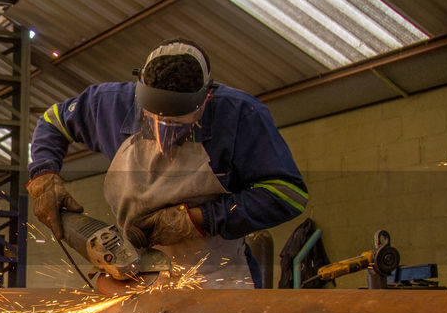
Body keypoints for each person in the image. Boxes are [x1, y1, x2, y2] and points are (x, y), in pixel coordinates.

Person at [27, 39, 307, 288]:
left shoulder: (240, 115)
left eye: (177, 123)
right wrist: (44, 176)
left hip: (216, 277)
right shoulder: (110, 103)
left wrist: (199, 218)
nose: (164, 134)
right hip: (135, 272)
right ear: (141, 90)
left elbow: (287, 195)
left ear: (206, 97)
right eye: (155, 120)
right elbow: (52, 121)